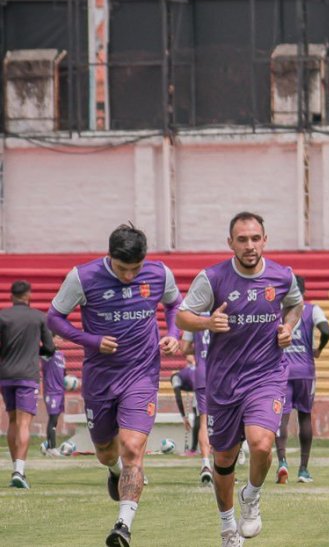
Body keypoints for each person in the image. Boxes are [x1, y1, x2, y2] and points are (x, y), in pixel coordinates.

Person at [45, 224, 182, 547]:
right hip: (101, 376)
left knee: (133, 448)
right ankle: (114, 471)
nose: (130, 276)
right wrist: (90, 340)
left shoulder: (159, 273)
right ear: (109, 257)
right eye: (123, 269)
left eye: (135, 269)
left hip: (142, 373)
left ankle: (123, 524)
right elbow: (54, 318)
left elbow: (174, 305)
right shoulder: (83, 277)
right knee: (107, 453)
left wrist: (173, 335)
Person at [177, 212, 303, 547]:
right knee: (223, 460)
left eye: (255, 238)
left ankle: (252, 496)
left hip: (266, 375)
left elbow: (295, 305)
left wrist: (288, 327)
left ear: (265, 239)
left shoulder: (282, 276)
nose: (250, 245)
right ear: (230, 242)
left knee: (262, 443)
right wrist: (207, 324)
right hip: (223, 382)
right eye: (242, 239)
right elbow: (182, 316)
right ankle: (227, 527)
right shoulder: (213, 278)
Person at [276, 275, 329, 484]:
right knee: (305, 417)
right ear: (304, 291)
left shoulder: (278, 310)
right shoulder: (312, 309)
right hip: (305, 371)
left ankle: (282, 462)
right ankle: (303, 469)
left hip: (282, 371)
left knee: (281, 417)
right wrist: (319, 349)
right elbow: (326, 330)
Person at [0, 280, 55, 487]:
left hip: (5, 375)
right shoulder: (39, 317)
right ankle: (19, 471)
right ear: (29, 295)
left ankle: (15, 468)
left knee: (12, 421)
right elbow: (50, 348)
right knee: (24, 423)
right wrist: (34, 351)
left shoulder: (3, 316)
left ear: (11, 296)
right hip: (27, 375)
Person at [180, 329, 215, 484]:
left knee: (204, 422)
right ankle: (225, 466)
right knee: (226, 420)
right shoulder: (225, 311)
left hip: (202, 374)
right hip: (223, 373)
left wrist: (201, 347)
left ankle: (206, 463)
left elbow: (185, 348)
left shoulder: (193, 315)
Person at [40, 343, 67, 455]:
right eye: (58, 337)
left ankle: (49, 446)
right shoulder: (47, 355)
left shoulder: (61, 355)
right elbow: (40, 352)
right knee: (52, 419)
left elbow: (64, 374)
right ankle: (51, 447)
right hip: (52, 392)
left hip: (61, 392)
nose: (60, 340)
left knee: (55, 420)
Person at [170, 362, 199, 454]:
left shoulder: (175, 378)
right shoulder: (187, 372)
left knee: (198, 417)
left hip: (201, 387)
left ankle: (193, 450)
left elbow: (178, 397)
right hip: (207, 383)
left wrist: (184, 417)